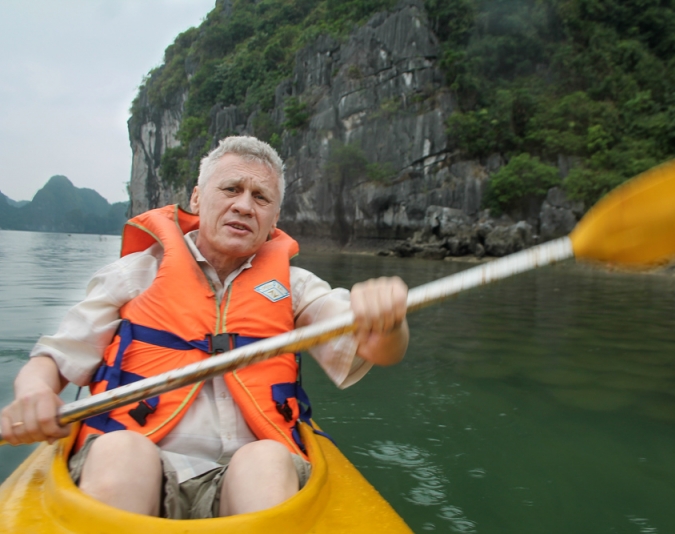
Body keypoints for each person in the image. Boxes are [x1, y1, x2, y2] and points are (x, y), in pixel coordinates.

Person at [0, 136, 409, 519]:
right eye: (231, 189)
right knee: (121, 454)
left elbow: (376, 348)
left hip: (247, 473)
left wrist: (387, 323)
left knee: (265, 461)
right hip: (140, 455)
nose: (245, 206)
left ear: (274, 218)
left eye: (260, 197)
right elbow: (53, 358)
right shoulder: (135, 273)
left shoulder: (295, 287)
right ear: (198, 197)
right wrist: (35, 393)